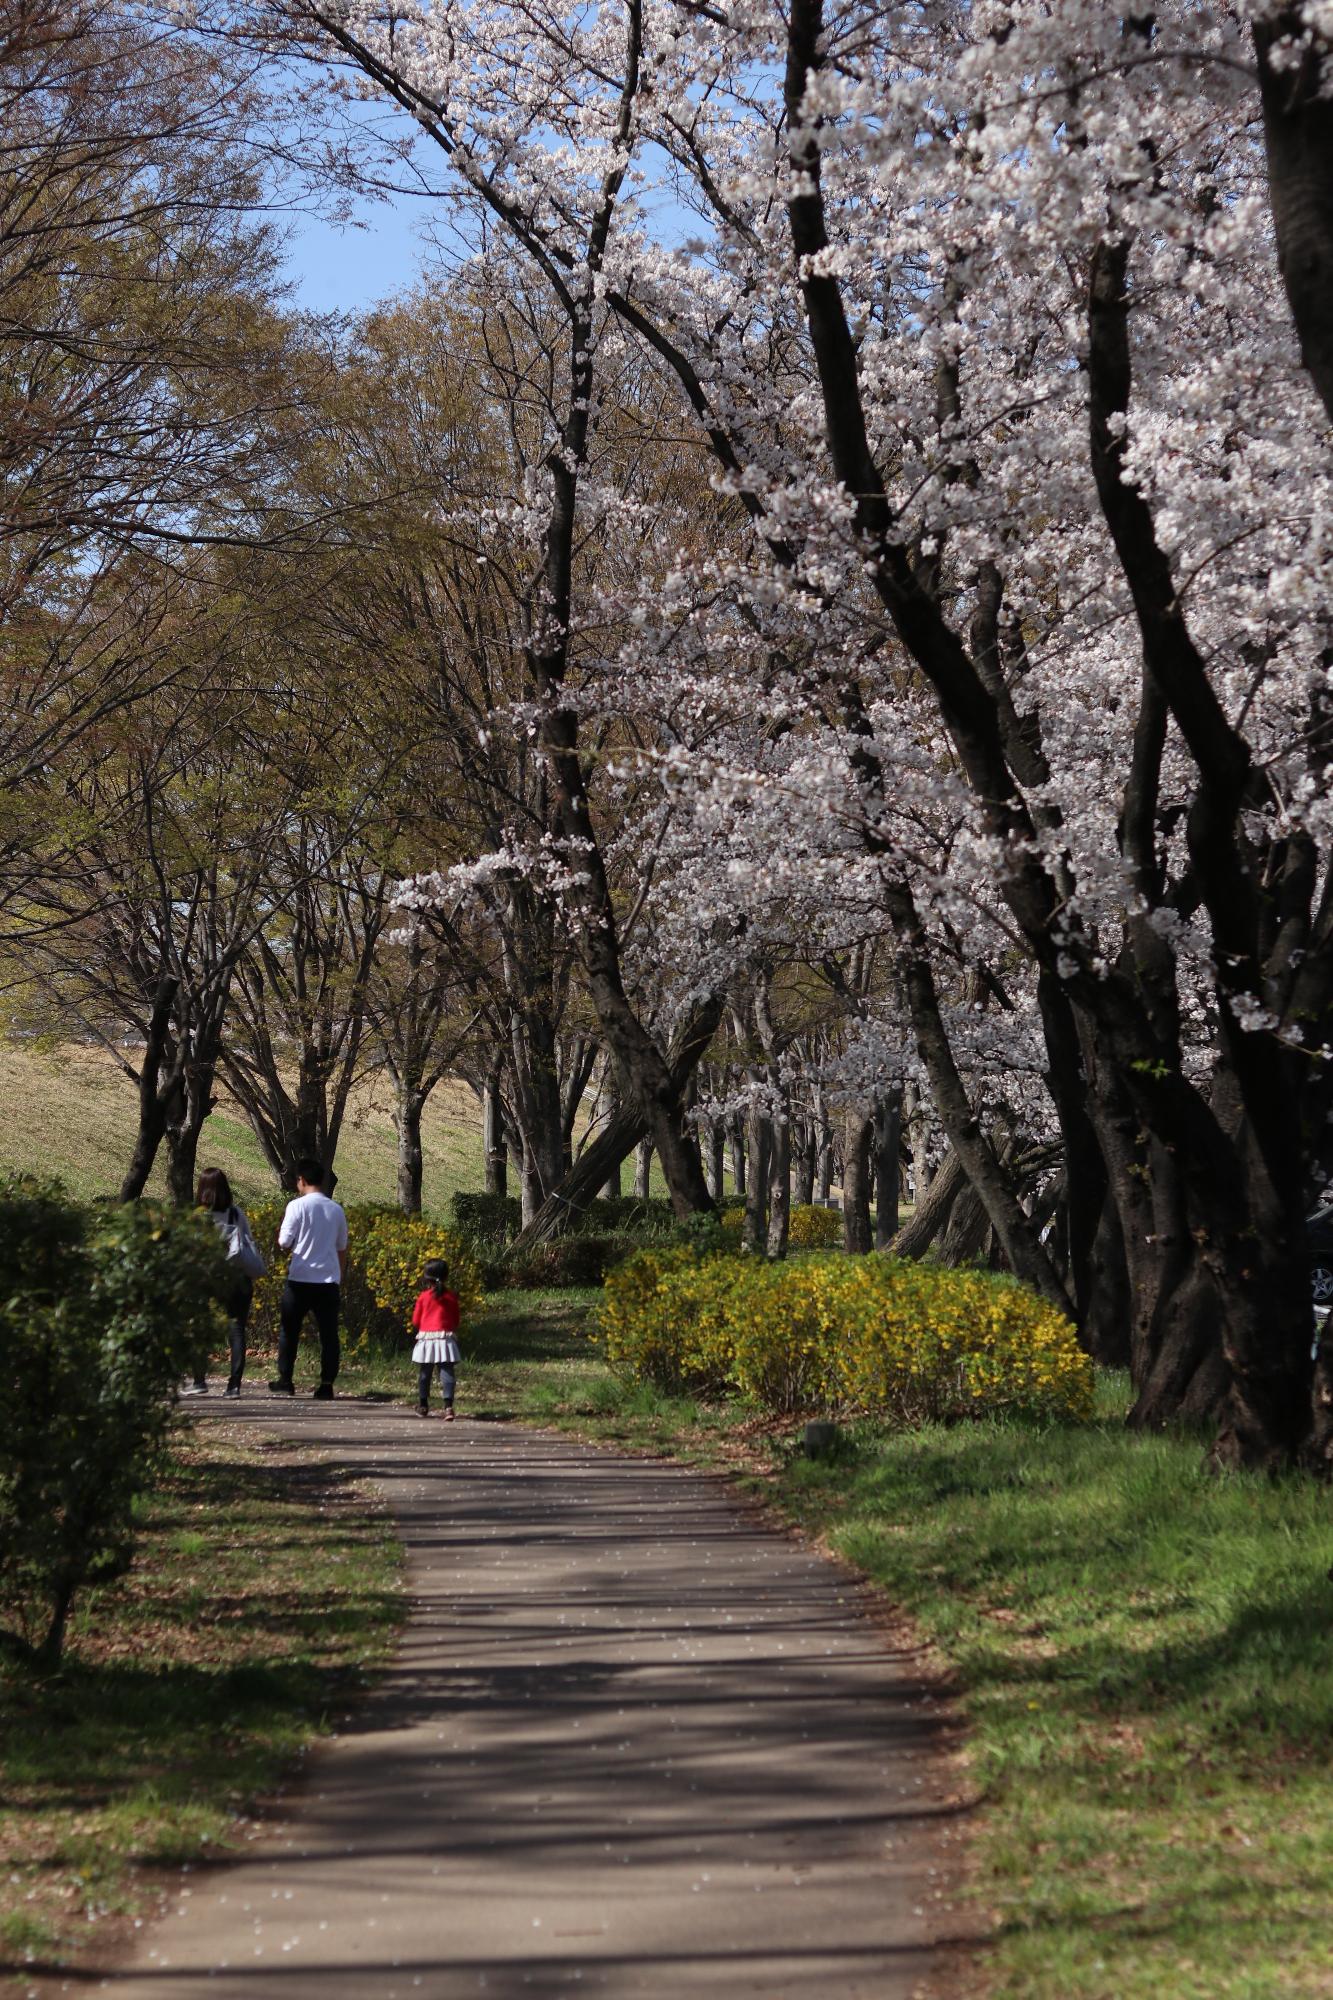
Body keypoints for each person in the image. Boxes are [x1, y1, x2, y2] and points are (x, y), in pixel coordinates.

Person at [270, 1157, 348, 1399]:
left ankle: (286, 1380)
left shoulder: (297, 1207)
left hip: (300, 1279)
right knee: (329, 1335)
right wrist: (340, 1277)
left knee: (289, 1331)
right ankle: (326, 1384)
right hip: (327, 1281)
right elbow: (342, 1248)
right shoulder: (336, 1209)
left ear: (301, 1181)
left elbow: (284, 1242)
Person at [185, 1167, 263, 1398]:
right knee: (236, 1329)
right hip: (237, 1277)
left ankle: (199, 1380)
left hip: (205, 1278)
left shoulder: (197, 1215)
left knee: (199, 1327)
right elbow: (249, 1243)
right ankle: (234, 1386)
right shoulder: (236, 1214)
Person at [411, 1258, 461, 1419]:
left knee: (425, 1373)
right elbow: (456, 1320)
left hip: (427, 1338)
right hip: (445, 1338)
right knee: (447, 1372)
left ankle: (423, 1405)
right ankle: (448, 1407)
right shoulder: (451, 1297)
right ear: (446, 1277)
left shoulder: (423, 1297)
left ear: (426, 1278)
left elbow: (415, 1321)